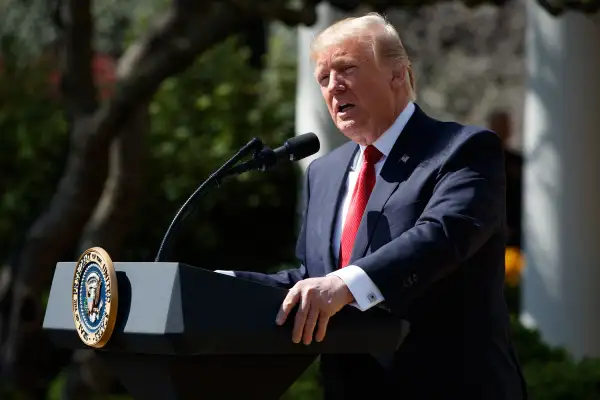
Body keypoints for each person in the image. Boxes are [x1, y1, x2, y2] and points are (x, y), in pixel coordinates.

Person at [218, 13, 527, 399]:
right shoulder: (324, 173)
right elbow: (314, 277)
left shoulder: (462, 150)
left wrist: (343, 284)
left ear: (398, 74)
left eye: (347, 68)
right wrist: (219, 285)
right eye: (323, 78)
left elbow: (443, 234)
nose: (333, 86)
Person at [488, 110, 524, 248]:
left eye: (504, 125)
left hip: (517, 232)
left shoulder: (519, 162)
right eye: (497, 125)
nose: (501, 130)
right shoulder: (479, 161)